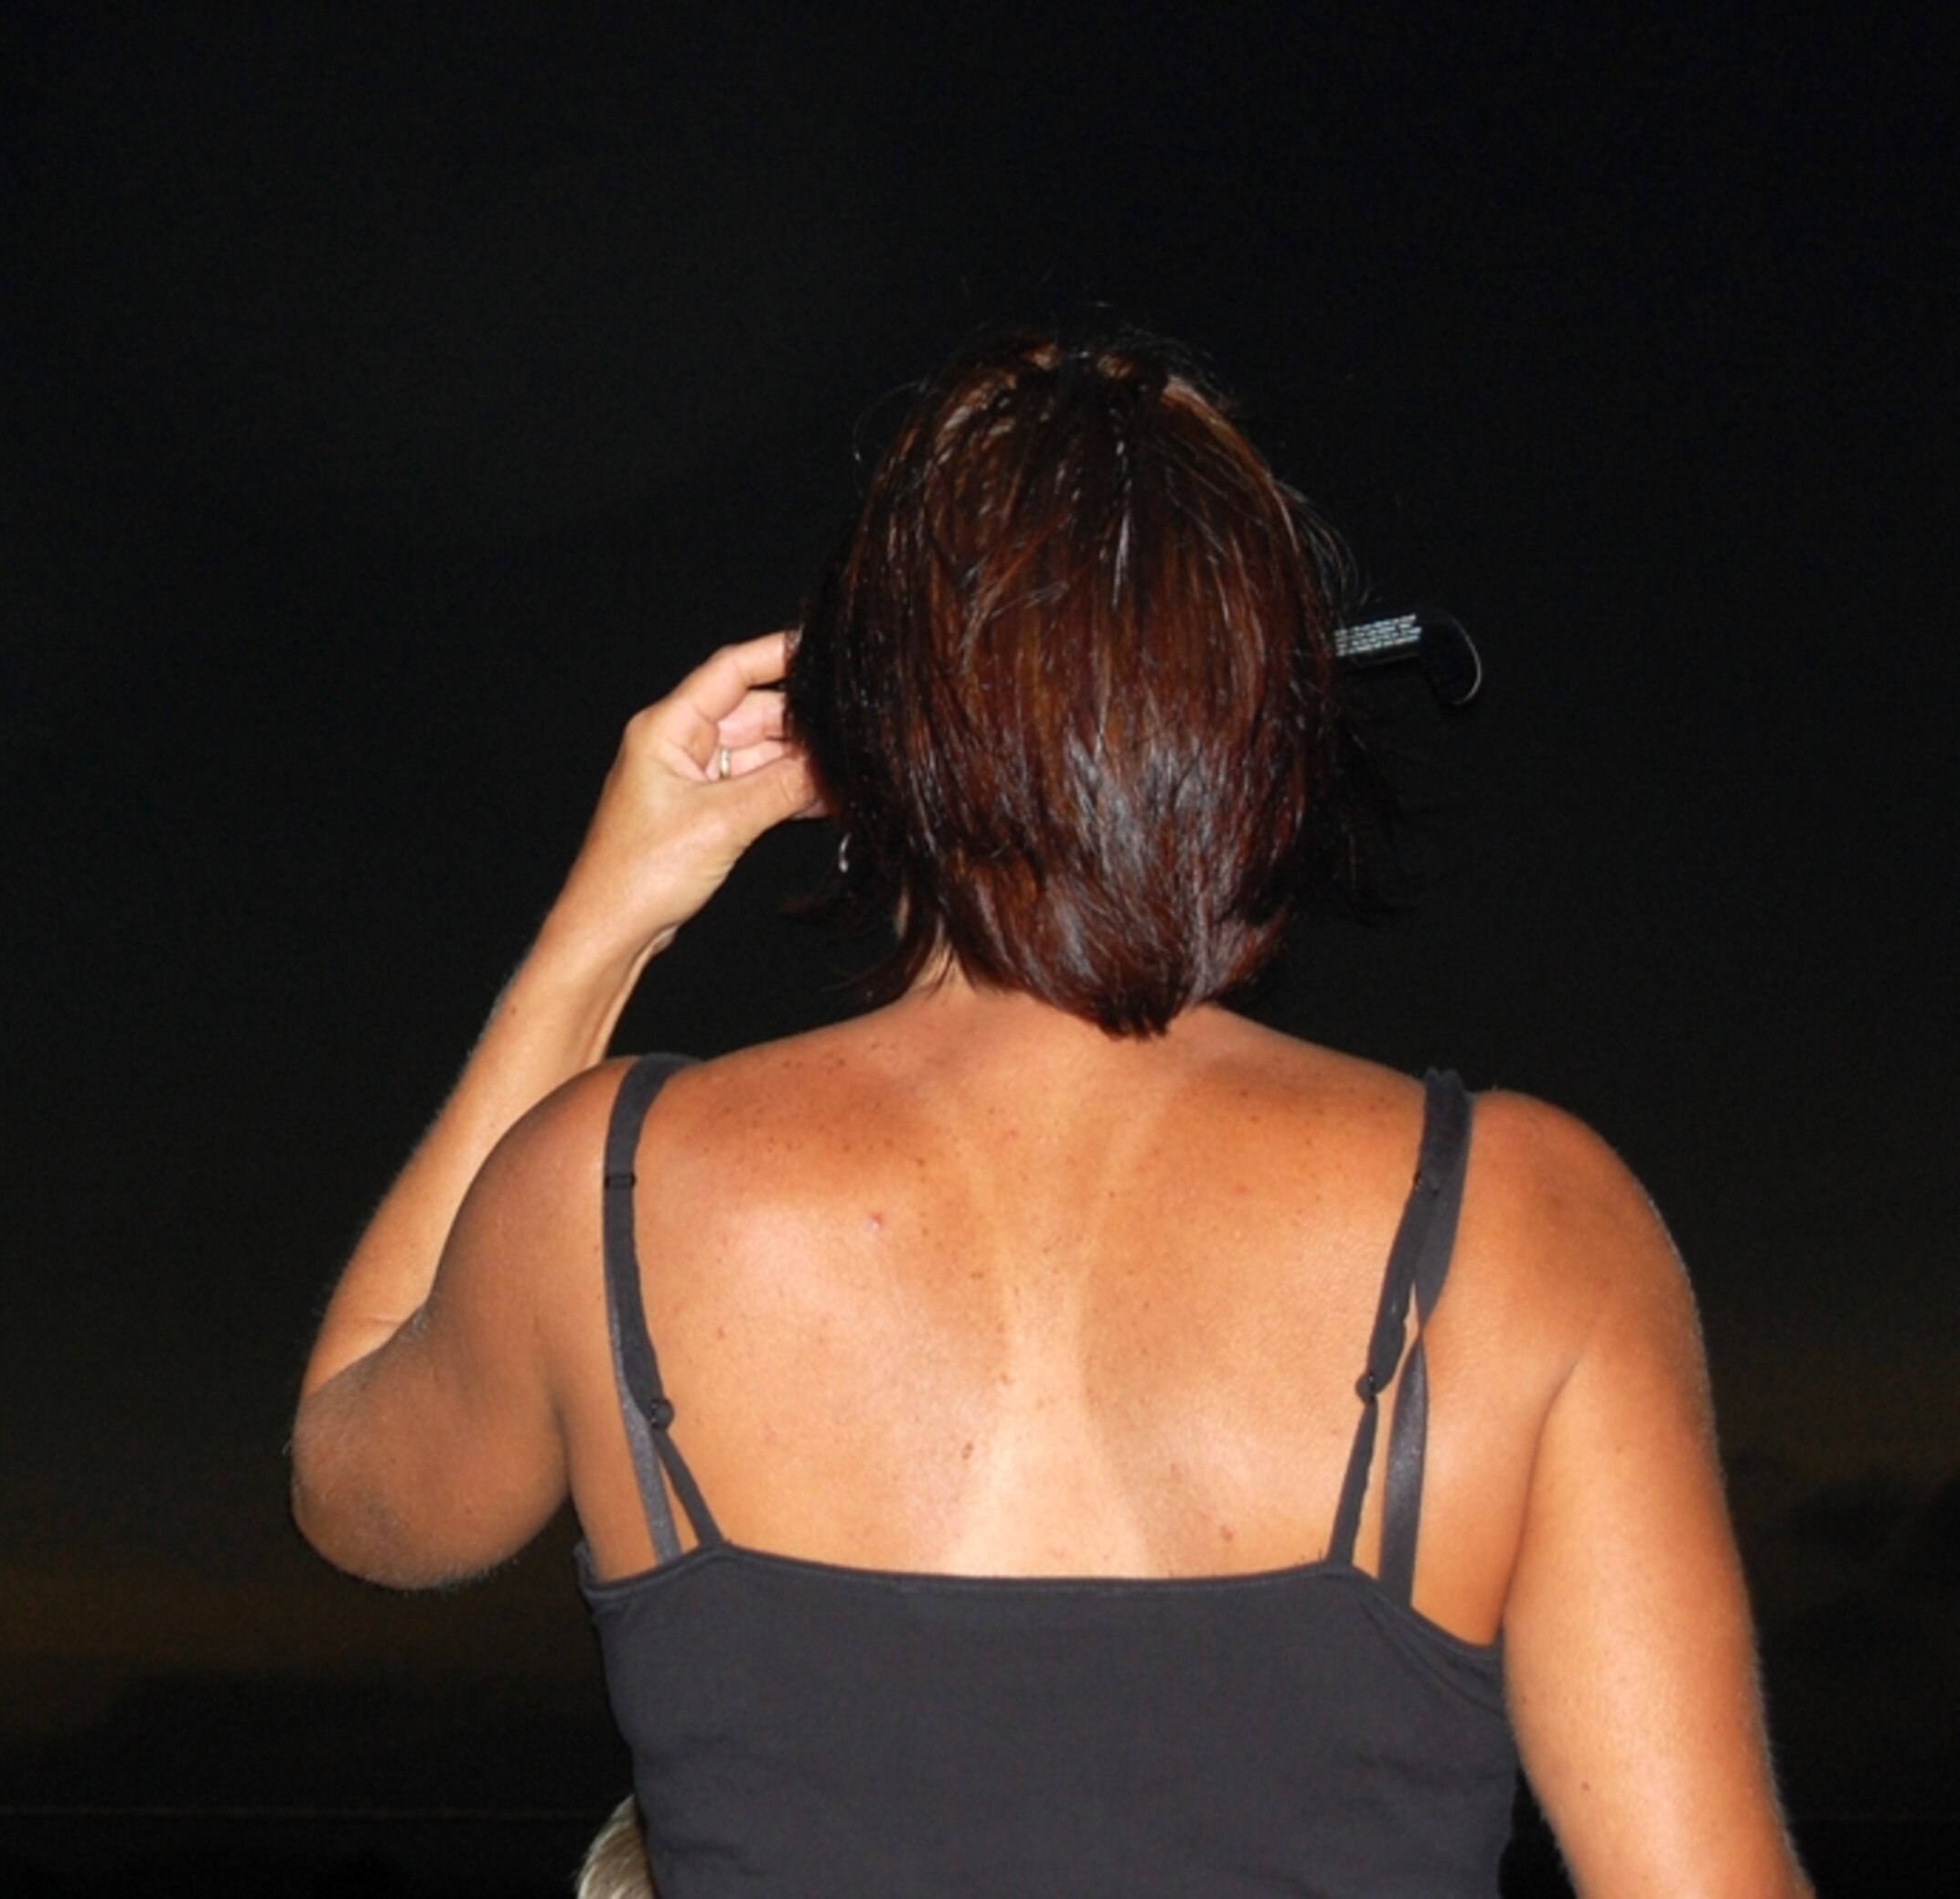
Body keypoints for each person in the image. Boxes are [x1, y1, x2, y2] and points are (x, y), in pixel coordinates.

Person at [290, 330, 1806, 1895]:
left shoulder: (609, 1186)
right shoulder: (1527, 1223)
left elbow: (360, 1494)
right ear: (1271, 743)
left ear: (867, 740)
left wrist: (611, 915)